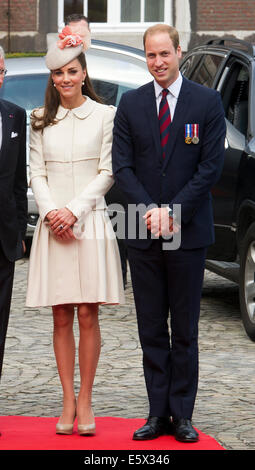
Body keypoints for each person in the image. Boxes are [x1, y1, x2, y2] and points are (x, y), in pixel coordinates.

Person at [112, 24, 226, 443]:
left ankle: (182, 415)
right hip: (143, 234)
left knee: (185, 328)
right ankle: (156, 413)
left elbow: (209, 167)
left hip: (188, 232)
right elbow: (122, 166)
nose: (157, 62)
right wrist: (149, 211)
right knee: (151, 329)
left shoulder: (207, 102)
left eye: (164, 54)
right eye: (150, 55)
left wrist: (173, 212)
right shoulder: (132, 103)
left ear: (179, 52)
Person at [26, 27, 124, 436]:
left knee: (88, 312)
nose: (65, 79)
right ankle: (66, 398)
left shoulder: (106, 116)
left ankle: (86, 399)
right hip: (55, 226)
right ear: (52, 78)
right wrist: (52, 214)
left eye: (72, 71)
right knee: (61, 314)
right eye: (58, 73)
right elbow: (37, 173)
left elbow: (108, 171)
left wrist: (74, 211)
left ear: (84, 73)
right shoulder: (38, 120)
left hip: (90, 222)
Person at [65, 13, 128, 288]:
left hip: (102, 155)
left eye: (84, 36)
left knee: (116, 220)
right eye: (74, 36)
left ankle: (114, 275)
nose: (80, 42)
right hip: (71, 160)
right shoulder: (63, 69)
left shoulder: (104, 70)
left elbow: (106, 106)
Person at [0, 45, 27, 436]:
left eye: (1, 69)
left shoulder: (14, 115)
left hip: (2, 242)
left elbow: (18, 183)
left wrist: (20, 231)